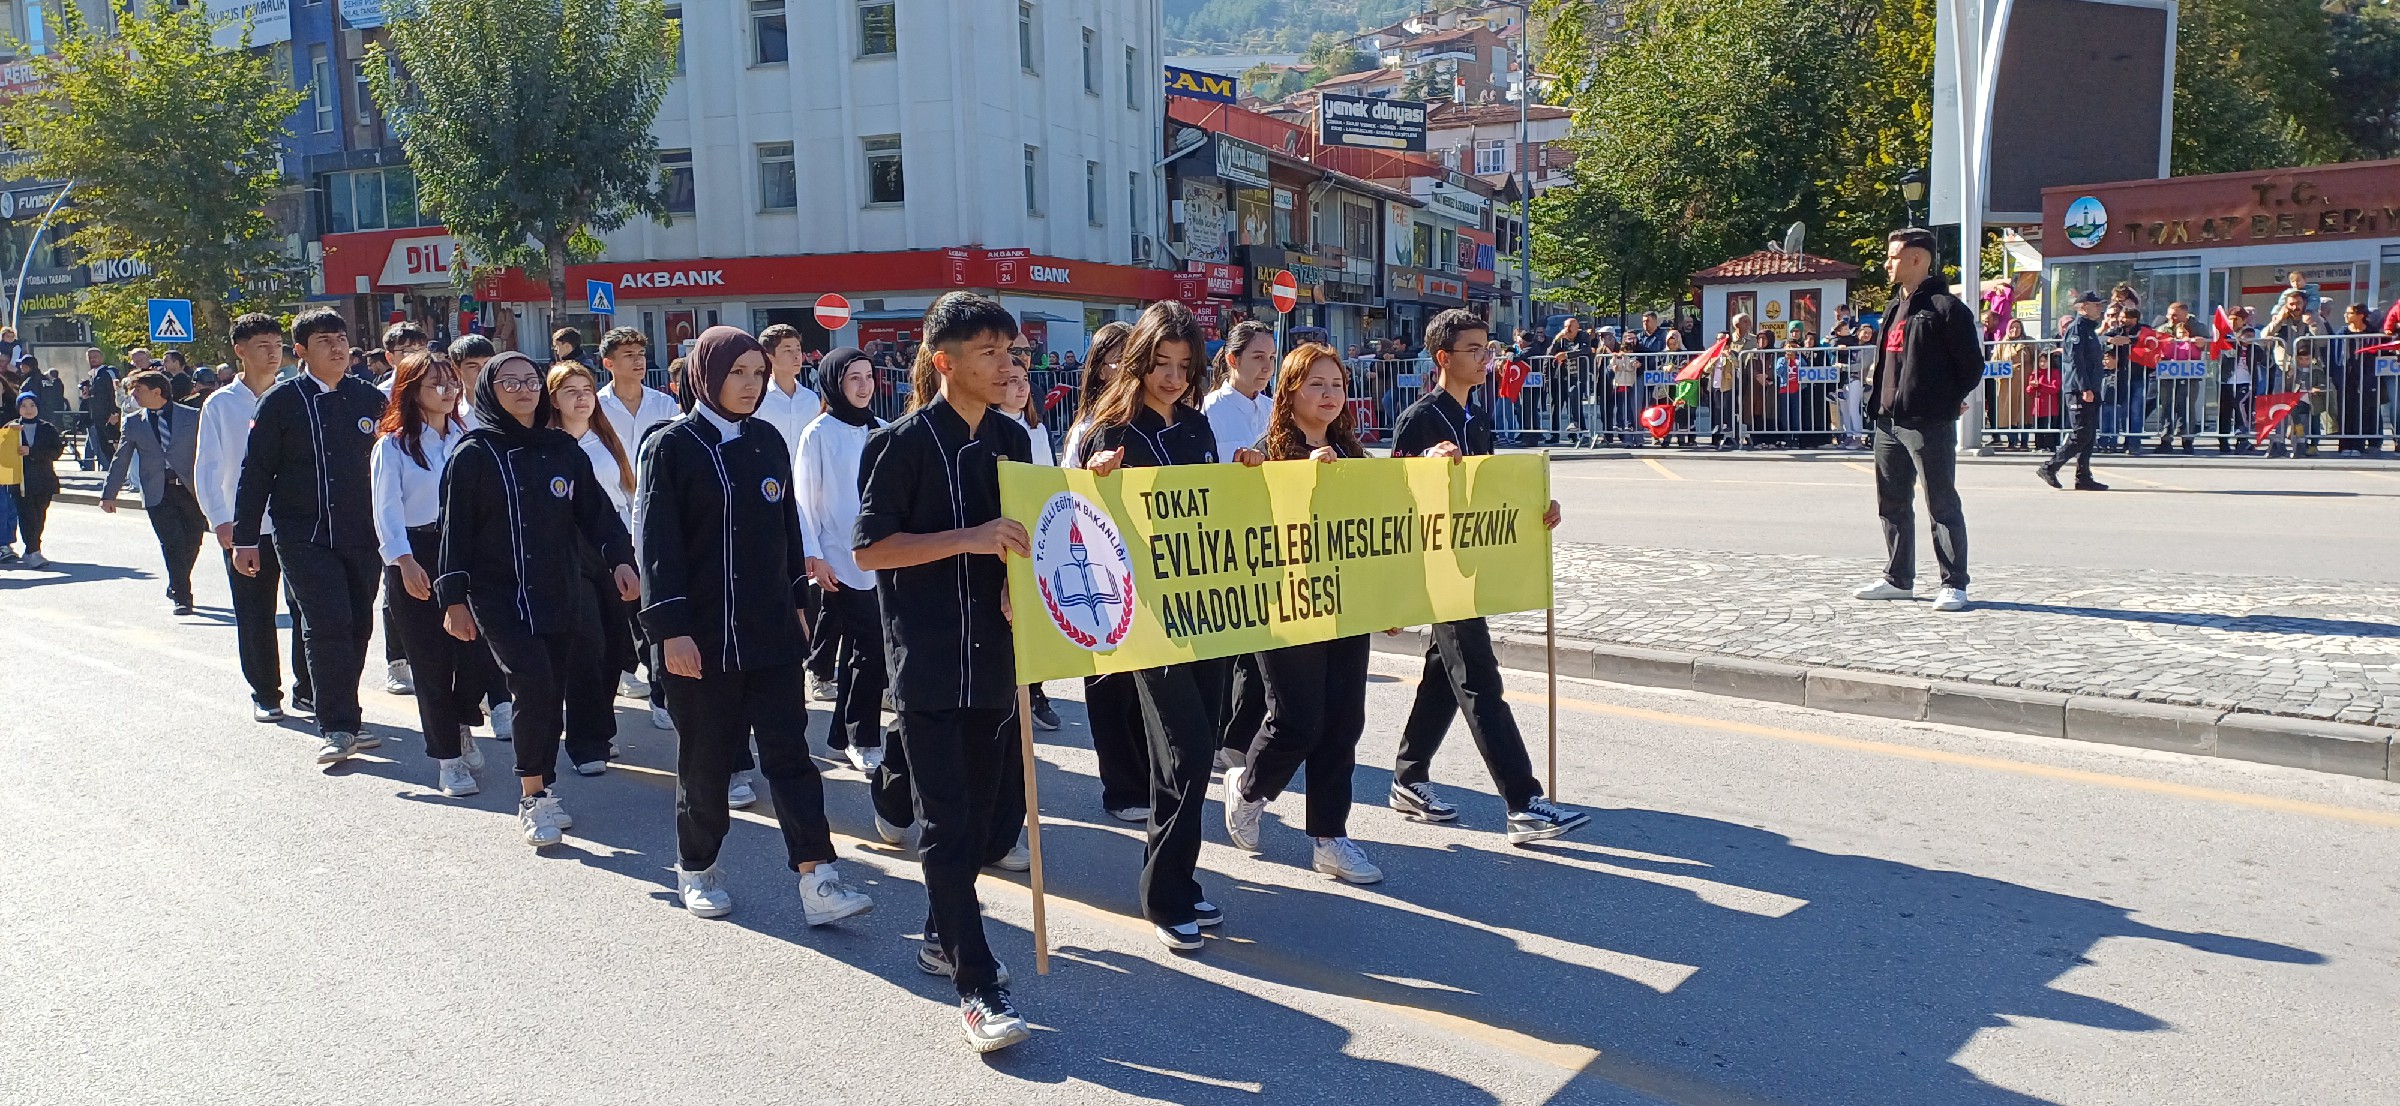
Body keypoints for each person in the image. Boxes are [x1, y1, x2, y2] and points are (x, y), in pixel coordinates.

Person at [634, 326, 874, 924]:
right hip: (701, 637)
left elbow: (787, 528)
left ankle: (818, 878)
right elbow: (657, 544)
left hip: (769, 631)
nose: (750, 385)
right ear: (706, 376)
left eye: (758, 373)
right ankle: (697, 867)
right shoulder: (671, 446)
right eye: (736, 373)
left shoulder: (767, 440)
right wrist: (670, 630)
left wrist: (798, 601)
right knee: (707, 761)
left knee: (791, 757)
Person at [852, 293, 1035, 1052]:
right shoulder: (897, 444)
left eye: (1009, 351)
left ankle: (941, 927)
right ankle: (978, 985)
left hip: (995, 659)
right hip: (926, 660)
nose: (1005, 365)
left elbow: (1025, 540)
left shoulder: (1014, 440)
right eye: (988, 352)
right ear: (944, 362)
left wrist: (1017, 582)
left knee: (985, 825)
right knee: (948, 823)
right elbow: (871, 550)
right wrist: (970, 538)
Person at [1082, 301, 1266, 954]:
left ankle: (1179, 879)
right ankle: (1165, 895)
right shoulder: (1111, 431)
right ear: (1139, 360)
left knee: (1190, 754)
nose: (1172, 377)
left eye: (1184, 367)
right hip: (1144, 618)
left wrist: (1243, 476)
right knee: (1185, 752)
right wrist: (1093, 483)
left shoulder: (1194, 426)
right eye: (1161, 363)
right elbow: (1081, 520)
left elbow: (1212, 510)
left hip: (1203, 610)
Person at [1387, 309, 1583, 846]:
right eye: (1473, 350)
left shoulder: (1477, 418)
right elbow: (1393, 498)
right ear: (1443, 358)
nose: (1485, 359)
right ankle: (1522, 801)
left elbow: (1490, 494)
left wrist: (1536, 509)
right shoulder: (1420, 418)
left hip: (1470, 565)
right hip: (1437, 570)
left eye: (1487, 348)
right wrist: (1424, 466)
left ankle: (1408, 775)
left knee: (1443, 674)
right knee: (1479, 678)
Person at [439, 352, 636, 845]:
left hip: (558, 588)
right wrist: (454, 599)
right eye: (509, 382)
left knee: (552, 689)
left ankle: (544, 780)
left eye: (530, 380)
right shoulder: (474, 454)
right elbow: (455, 533)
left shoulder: (562, 450)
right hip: (499, 595)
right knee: (532, 683)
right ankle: (533, 796)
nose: (523, 389)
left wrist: (621, 559)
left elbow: (597, 514)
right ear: (489, 391)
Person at [1220, 343, 1383, 885]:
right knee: (1297, 719)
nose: (1329, 394)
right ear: (1289, 393)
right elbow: (1249, 526)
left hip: (1345, 603)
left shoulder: (1353, 455)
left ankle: (1330, 838)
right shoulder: (1263, 453)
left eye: (1337, 384)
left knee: (1344, 721)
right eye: (1316, 384)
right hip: (1285, 605)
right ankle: (1249, 789)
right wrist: (1297, 477)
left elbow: (1385, 527)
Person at [233, 308, 388, 763]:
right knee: (326, 623)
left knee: (358, 624)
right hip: (304, 535)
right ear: (300, 350)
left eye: (340, 339)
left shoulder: (370, 399)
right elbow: (255, 472)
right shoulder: (281, 401)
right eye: (324, 341)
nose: (337, 348)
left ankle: (346, 712)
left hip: (362, 533)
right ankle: (337, 725)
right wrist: (245, 538)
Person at [371, 351, 489, 797]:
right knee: (431, 661)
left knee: (476, 652)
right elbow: (386, 510)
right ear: (411, 391)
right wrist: (403, 562)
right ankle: (448, 759)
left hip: (466, 551)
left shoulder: (467, 436)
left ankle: (461, 720)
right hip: (417, 551)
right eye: (436, 384)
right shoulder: (393, 446)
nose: (448, 391)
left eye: (451, 383)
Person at [1854, 228, 1983, 612]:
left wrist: (1950, 401)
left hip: (1928, 422)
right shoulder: (1893, 307)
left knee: (1941, 503)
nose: (1887, 264)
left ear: (1917, 259)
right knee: (1891, 502)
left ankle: (1954, 583)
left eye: (1893, 257)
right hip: (1887, 420)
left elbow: (1971, 366)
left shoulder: (1947, 308)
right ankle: (1898, 578)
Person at [199, 314, 313, 722]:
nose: (272, 353)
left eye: (277, 345)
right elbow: (208, 467)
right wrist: (220, 519)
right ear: (240, 350)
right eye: (262, 345)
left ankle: (309, 690)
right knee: (255, 613)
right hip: (246, 528)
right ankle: (265, 693)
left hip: (296, 524)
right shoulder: (221, 404)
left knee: (307, 611)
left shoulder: (294, 397)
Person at [1061, 321, 1150, 821]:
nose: (1126, 369)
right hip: (1099, 572)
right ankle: (1121, 786)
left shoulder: (1150, 419)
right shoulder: (1087, 429)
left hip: (1148, 571)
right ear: (1098, 369)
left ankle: (1150, 778)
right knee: (1110, 685)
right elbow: (1068, 502)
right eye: (1117, 360)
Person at [796, 348, 890, 776]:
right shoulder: (818, 433)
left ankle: (841, 736)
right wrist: (814, 556)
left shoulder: (883, 430)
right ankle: (863, 737)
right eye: (854, 378)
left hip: (879, 556)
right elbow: (804, 499)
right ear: (834, 383)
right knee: (869, 647)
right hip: (837, 556)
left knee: (862, 648)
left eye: (868, 376)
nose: (863, 385)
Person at [547, 360, 638, 772]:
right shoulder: (547, 446)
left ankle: (601, 727)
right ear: (554, 400)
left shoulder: (606, 440)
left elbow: (629, 496)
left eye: (586, 389)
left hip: (613, 549)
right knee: (587, 646)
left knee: (616, 644)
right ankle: (585, 743)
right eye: (570, 391)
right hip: (568, 553)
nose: (581, 398)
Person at [1203, 320, 1275, 767]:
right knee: (1228, 647)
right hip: (1226, 536)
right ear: (1232, 359)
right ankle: (1219, 736)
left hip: (1266, 534)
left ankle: (1236, 736)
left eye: (1271, 358)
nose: (1266, 367)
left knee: (1258, 643)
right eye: (1256, 358)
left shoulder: (1272, 408)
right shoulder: (1212, 410)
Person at [100, 370, 207, 614]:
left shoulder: (192, 416)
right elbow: (121, 458)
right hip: (158, 491)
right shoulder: (134, 422)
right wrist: (109, 494)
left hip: (190, 489)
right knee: (172, 542)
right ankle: (183, 595)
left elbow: (207, 451)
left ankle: (177, 581)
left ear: (157, 392)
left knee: (193, 540)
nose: (134, 396)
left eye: (138, 390)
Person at [997, 348, 1062, 738]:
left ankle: (1036, 693)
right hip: (1007, 535)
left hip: (1041, 533)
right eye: (1011, 382)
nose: (1020, 389)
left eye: (1024, 382)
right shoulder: (993, 429)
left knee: (1037, 620)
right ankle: (1014, 695)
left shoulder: (1036, 429)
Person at [2039, 291, 2109, 492]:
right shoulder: (2077, 329)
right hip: (2079, 389)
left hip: (2091, 387)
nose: (2100, 308)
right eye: (2096, 305)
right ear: (2083, 307)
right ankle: (2050, 467)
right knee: (2081, 434)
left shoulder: (2089, 329)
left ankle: (2083, 477)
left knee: (2089, 435)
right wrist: (2085, 387)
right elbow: (2076, 362)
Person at [595, 328, 679, 460]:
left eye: (641, 354)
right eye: (629, 355)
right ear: (608, 363)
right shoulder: (596, 406)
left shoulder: (664, 404)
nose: (638, 360)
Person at [7, 391, 60, 566]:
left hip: (43, 480)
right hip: (20, 481)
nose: (28, 409)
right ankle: (33, 551)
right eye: (23, 406)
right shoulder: (11, 428)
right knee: (26, 516)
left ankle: (33, 548)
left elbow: (56, 452)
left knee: (39, 516)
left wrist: (32, 452)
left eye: (32, 405)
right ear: (18, 409)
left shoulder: (47, 428)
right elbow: (4, 454)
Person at [80, 349, 119, 471]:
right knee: (101, 445)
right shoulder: (92, 375)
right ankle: (109, 470)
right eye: (90, 357)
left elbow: (115, 392)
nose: (93, 359)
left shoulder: (108, 372)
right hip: (96, 417)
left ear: (102, 358)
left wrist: (115, 412)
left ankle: (114, 471)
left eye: (95, 356)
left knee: (109, 445)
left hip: (108, 417)